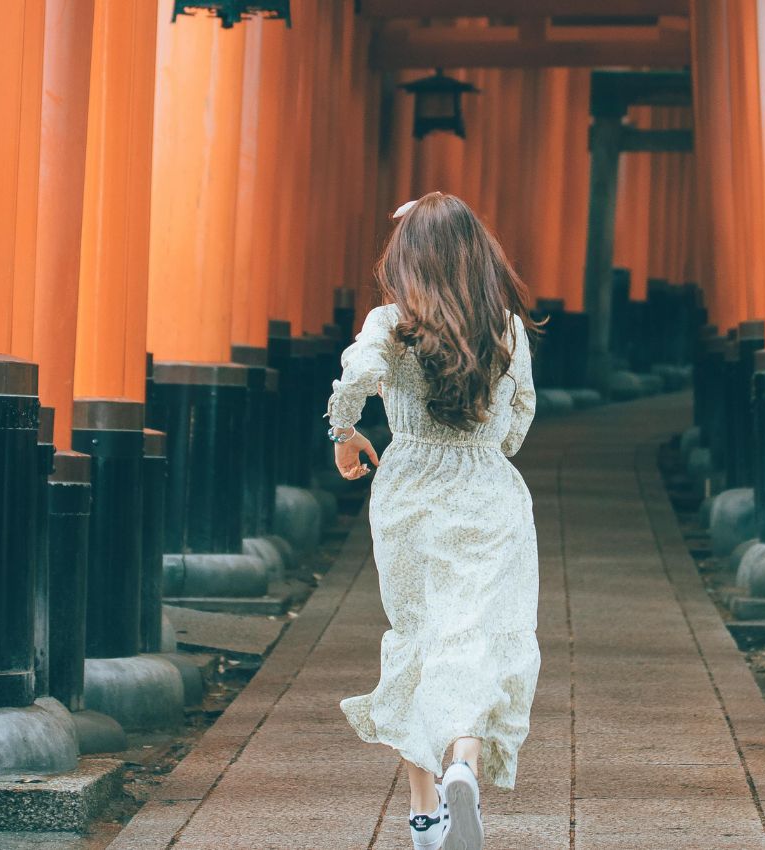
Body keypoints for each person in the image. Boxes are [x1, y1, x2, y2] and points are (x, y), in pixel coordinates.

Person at [325, 192, 541, 850]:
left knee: (418, 639)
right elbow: (520, 418)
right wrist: (484, 452)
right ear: (479, 257)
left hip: (410, 491)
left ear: (407, 261)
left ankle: (424, 819)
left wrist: (344, 432)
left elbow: (355, 377)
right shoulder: (503, 327)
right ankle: (463, 766)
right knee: (477, 639)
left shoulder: (390, 325)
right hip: (489, 492)